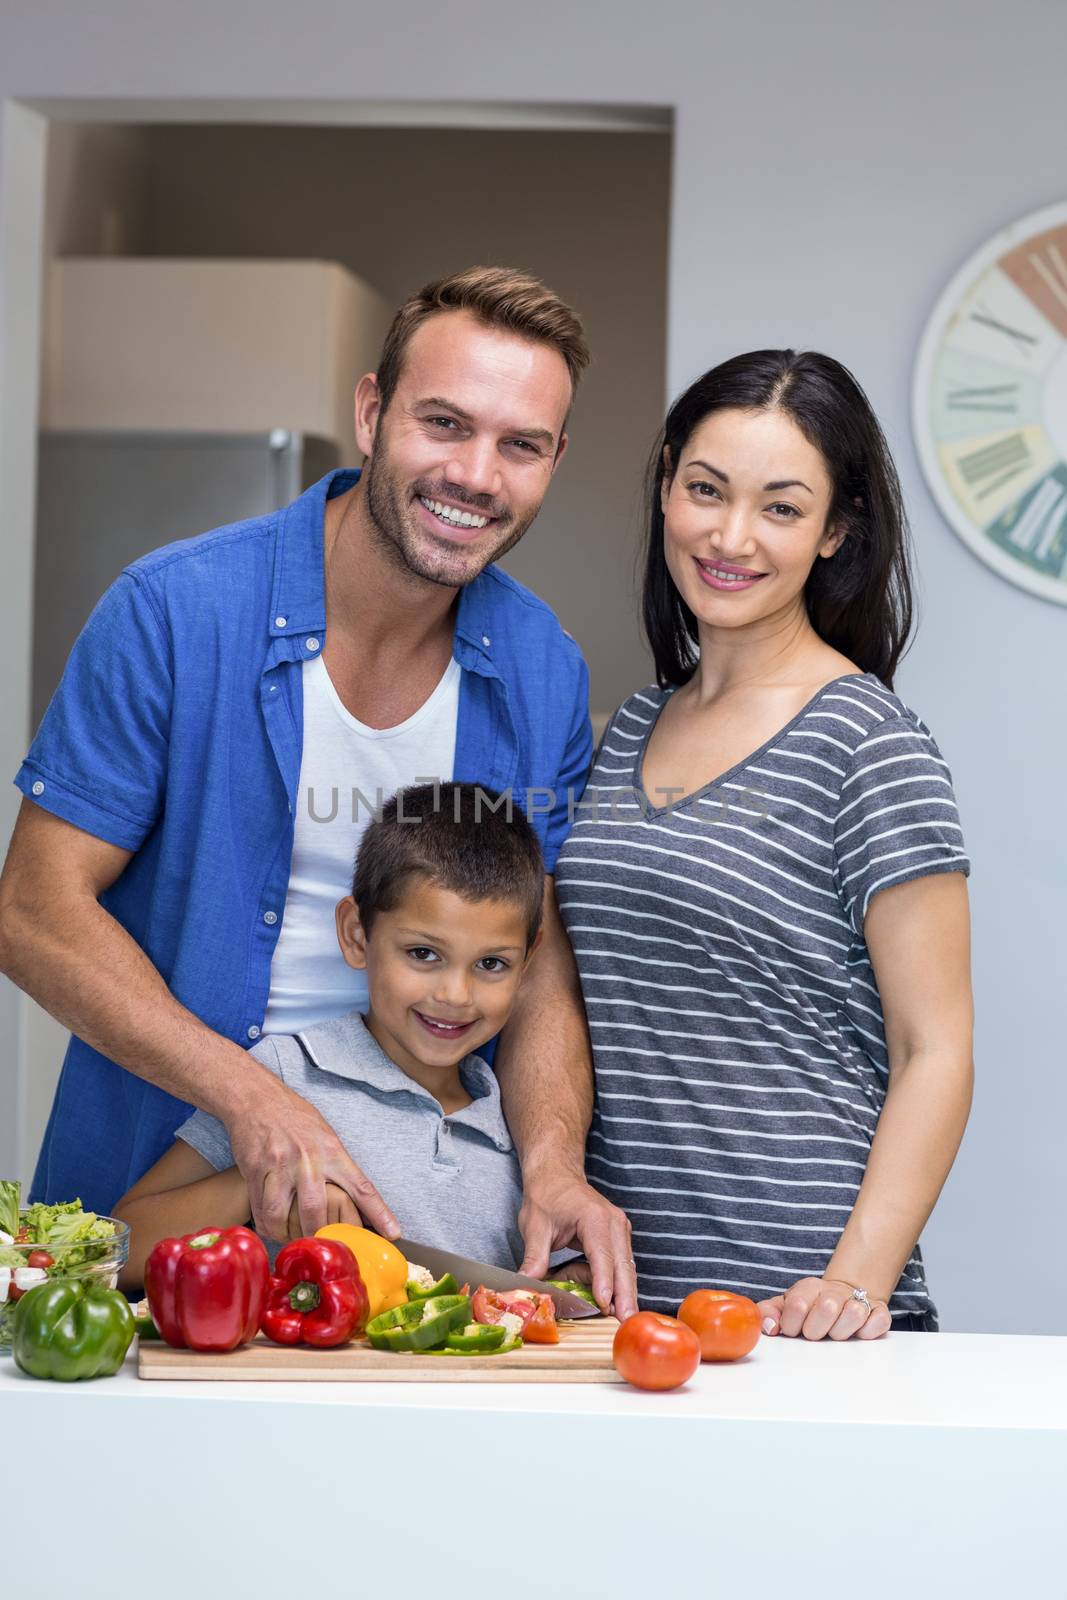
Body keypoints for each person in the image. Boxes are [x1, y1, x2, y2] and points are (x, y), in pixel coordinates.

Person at [0, 265, 637, 1316]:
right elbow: (31, 911)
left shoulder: (541, 668)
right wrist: (256, 1098)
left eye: (519, 445)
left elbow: (538, 951)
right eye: (444, 423)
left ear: (553, 460)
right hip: (161, 1213)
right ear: (371, 411)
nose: (476, 474)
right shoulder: (174, 609)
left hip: (407, 1244)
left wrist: (556, 1165)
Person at [554, 350, 974, 1339]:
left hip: (803, 1314)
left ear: (834, 531)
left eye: (780, 508)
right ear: (665, 485)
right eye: (705, 490)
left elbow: (935, 1047)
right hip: (628, 1315)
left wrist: (852, 1281)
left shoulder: (866, 744)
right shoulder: (626, 731)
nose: (729, 536)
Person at [115, 784, 547, 1289]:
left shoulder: (519, 1124)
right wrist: (259, 1180)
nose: (455, 994)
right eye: (423, 954)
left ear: (528, 961)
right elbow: (123, 1249)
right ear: (357, 936)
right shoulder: (283, 1077)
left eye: (491, 964)